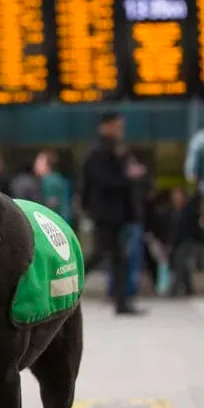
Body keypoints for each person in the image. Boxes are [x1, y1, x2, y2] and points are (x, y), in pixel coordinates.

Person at [81, 112, 146, 316]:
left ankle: (122, 303)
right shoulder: (97, 152)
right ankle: (64, 283)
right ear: (106, 127)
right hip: (105, 213)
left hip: (115, 213)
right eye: (117, 126)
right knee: (102, 254)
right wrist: (128, 176)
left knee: (116, 257)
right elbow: (102, 181)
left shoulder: (116, 150)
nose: (120, 131)